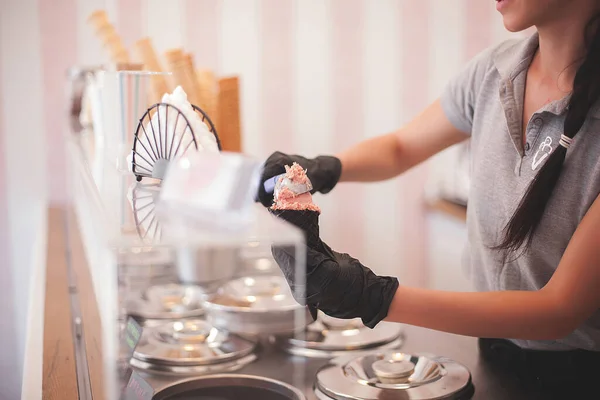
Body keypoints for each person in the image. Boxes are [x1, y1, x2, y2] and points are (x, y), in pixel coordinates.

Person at [258, 1, 600, 398]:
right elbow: (401, 147)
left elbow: (559, 311)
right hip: (493, 358)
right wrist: (323, 167)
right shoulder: (495, 72)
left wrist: (372, 296)